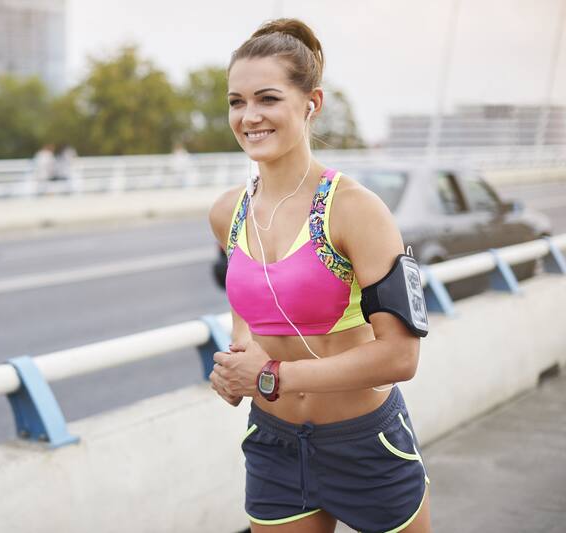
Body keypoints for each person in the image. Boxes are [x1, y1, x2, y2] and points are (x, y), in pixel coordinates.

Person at [207, 18, 432, 533]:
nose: (249, 117)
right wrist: (239, 358)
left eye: (267, 98)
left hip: (366, 444)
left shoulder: (355, 209)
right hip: (274, 445)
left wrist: (270, 376)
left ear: (311, 104)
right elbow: (247, 306)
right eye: (236, 102)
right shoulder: (227, 213)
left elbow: (401, 355)